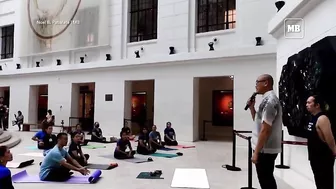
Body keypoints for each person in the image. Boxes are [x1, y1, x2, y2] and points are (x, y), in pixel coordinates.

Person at [247, 74, 282, 189]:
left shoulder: (270, 101)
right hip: (263, 148)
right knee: (264, 178)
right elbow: (258, 122)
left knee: (266, 180)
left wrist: (256, 152)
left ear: (266, 83)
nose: (256, 85)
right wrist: (252, 108)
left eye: (257, 82)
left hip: (265, 150)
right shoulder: (265, 100)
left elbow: (265, 130)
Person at [306, 95, 336, 189]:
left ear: (317, 105)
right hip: (314, 158)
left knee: (325, 184)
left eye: (309, 102)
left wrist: (335, 151)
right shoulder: (312, 118)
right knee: (319, 183)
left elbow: (329, 139)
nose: (306, 105)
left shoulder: (322, 118)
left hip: (323, 159)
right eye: (307, 102)